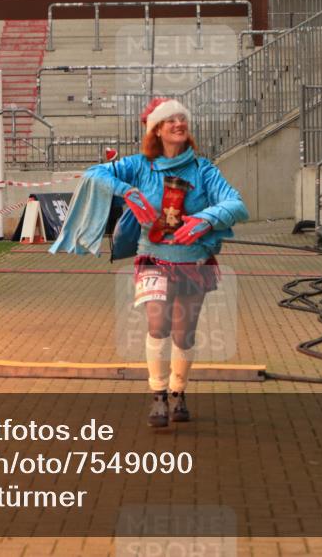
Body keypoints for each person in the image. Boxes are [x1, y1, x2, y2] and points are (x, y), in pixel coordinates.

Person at [50, 98, 248, 428]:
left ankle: (178, 391)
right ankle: (157, 394)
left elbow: (236, 204)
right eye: (169, 120)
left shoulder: (203, 169)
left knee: (184, 334)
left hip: (193, 263)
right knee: (158, 325)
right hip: (152, 259)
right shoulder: (141, 166)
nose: (177, 124)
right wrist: (126, 191)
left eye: (181, 118)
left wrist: (205, 220)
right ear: (156, 129)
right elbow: (94, 174)